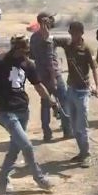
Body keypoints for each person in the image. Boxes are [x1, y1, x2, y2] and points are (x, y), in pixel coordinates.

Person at [0, 35, 54, 194]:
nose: (26, 53)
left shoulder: (28, 64)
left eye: (27, 50)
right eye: (23, 50)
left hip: (23, 110)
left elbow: (38, 85)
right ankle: (39, 178)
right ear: (16, 48)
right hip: (6, 113)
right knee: (27, 146)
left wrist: (51, 101)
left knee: (15, 149)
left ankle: (1, 182)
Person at [56, 21, 98, 168]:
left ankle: (87, 154)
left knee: (82, 125)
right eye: (70, 32)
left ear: (81, 33)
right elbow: (49, 39)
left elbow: (94, 69)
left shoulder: (87, 49)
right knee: (74, 127)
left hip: (83, 92)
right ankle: (82, 152)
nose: (71, 35)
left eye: (74, 33)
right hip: (71, 90)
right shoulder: (68, 46)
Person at [29, 12, 72, 142]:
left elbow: (32, 55)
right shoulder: (47, 38)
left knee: (45, 104)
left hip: (41, 76)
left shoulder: (33, 37)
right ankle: (67, 130)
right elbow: (49, 62)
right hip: (53, 76)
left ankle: (47, 134)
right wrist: (53, 79)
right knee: (64, 102)